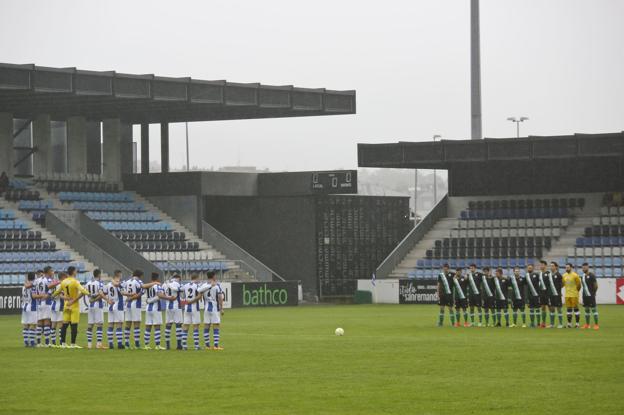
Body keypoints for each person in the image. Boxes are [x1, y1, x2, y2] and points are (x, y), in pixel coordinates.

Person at [51, 266, 90, 348]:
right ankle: (73, 344)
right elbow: (83, 291)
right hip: (74, 305)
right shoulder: (75, 282)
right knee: (74, 325)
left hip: (66, 305)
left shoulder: (63, 282)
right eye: (76, 271)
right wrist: (89, 293)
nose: (76, 272)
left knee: (64, 325)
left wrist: (52, 295)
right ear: (73, 272)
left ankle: (63, 343)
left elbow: (57, 292)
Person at [122, 270, 159, 349]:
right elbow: (142, 290)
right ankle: (137, 344)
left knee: (128, 323)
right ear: (140, 275)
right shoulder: (138, 281)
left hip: (127, 304)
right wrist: (154, 283)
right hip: (135, 304)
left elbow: (122, 291)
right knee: (136, 324)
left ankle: (126, 343)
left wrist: (128, 297)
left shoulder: (128, 281)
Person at [144, 272, 174, 350]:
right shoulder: (157, 285)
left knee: (148, 326)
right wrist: (169, 298)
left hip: (148, 308)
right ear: (157, 278)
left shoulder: (149, 285)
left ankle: (146, 345)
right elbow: (160, 295)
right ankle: (157, 345)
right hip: (156, 308)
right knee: (157, 326)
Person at [198, 271, 225, 350]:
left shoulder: (203, 285)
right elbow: (220, 298)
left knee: (207, 326)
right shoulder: (217, 286)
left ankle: (207, 346)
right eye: (215, 275)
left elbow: (199, 292)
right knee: (216, 326)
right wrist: (222, 308)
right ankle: (216, 346)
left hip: (206, 308)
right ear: (213, 276)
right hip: (214, 309)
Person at [85, 269, 109, 349]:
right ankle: (99, 344)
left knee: (90, 324)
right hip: (98, 305)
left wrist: (91, 298)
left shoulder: (88, 283)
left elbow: (85, 292)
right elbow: (102, 293)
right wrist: (107, 300)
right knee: (99, 324)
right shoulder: (100, 283)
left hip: (90, 305)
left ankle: (89, 344)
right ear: (99, 274)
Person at [32, 269, 56, 347]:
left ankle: (38, 343)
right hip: (47, 303)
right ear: (48, 272)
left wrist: (40, 296)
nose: (53, 272)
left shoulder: (36, 281)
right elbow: (50, 291)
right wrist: (46, 295)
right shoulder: (48, 280)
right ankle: (47, 343)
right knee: (47, 322)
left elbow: (33, 295)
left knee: (39, 322)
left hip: (39, 304)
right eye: (51, 271)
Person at [181, 274, 202, 350]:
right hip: (194, 307)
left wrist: (187, 301)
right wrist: (192, 301)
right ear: (196, 278)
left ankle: (184, 346)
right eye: (198, 278)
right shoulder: (197, 286)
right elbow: (199, 296)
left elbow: (182, 295)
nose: (199, 280)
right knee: (195, 326)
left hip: (186, 307)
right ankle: (196, 346)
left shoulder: (185, 285)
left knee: (185, 325)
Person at [105, 271, 125, 349]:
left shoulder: (108, 284)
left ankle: (110, 344)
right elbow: (122, 292)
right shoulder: (119, 284)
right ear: (119, 275)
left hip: (110, 306)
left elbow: (102, 292)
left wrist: (107, 300)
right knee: (119, 325)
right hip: (118, 306)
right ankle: (119, 344)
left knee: (110, 325)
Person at [163, 274, 183, 350]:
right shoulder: (177, 283)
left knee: (168, 325)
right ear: (178, 278)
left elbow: (163, 294)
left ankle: (167, 345)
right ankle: (179, 345)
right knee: (178, 325)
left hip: (168, 307)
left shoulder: (164, 284)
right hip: (176, 306)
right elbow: (179, 289)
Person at [562, 263, 582, 328]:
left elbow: (579, 285)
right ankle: (569, 324)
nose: (566, 269)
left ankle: (577, 324)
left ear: (571, 268)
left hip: (574, 295)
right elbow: (562, 284)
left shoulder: (575, 275)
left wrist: (576, 292)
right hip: (567, 295)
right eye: (566, 267)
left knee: (576, 309)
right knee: (568, 309)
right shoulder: (564, 275)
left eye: (568, 267)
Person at [580, 263, 599, 330]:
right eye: (583, 268)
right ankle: (587, 325)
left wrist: (593, 293)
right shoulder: (582, 276)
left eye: (585, 267)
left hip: (591, 295)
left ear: (588, 267)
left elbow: (596, 286)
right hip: (585, 296)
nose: (583, 269)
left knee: (594, 309)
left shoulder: (592, 275)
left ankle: (596, 324)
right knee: (586, 309)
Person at [21, 272, 38, 347]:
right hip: (32, 306)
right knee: (33, 324)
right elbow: (33, 296)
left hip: (24, 306)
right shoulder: (32, 285)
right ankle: (32, 342)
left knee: (26, 324)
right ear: (34, 277)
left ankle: (26, 342)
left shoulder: (24, 286)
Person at [49, 268, 64, 346]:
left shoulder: (52, 283)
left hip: (52, 305)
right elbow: (61, 296)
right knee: (60, 325)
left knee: (53, 324)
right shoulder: (60, 284)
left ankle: (53, 343)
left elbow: (50, 294)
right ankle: (61, 342)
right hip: (59, 305)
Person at [547, 262, 564, 328]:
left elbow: (562, 284)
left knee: (559, 309)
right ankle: (552, 324)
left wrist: (558, 290)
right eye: (550, 266)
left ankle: (560, 324)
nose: (551, 267)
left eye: (553, 266)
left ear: (556, 267)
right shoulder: (549, 275)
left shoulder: (559, 275)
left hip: (557, 294)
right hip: (550, 294)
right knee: (551, 309)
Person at [537, 260, 550, 328]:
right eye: (540, 265)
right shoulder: (539, 274)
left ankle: (552, 323)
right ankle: (543, 323)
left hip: (547, 293)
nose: (541, 266)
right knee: (542, 308)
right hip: (541, 293)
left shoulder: (548, 273)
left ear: (545, 266)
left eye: (542, 265)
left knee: (550, 308)